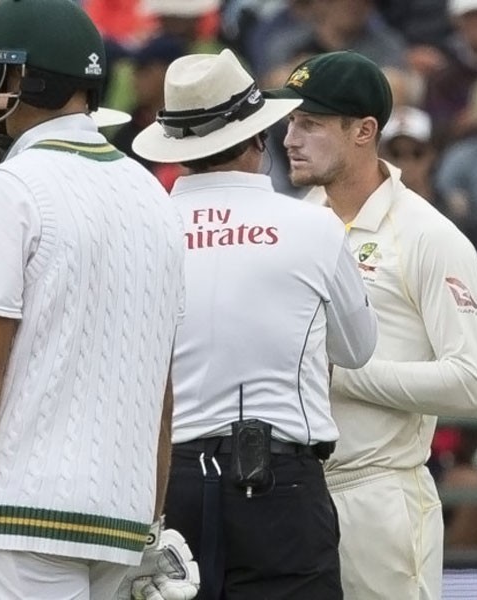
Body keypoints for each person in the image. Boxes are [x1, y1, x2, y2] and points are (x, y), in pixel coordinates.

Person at [0, 2, 197, 600]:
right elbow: (161, 386)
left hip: (19, 517)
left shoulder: (9, 186)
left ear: (20, 79)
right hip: (124, 518)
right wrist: (154, 520)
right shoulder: (154, 194)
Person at [132, 48, 378, 600]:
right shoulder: (314, 227)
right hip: (279, 485)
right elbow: (358, 350)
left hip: (164, 483)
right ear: (257, 138)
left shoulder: (142, 230)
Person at [267, 50, 477, 600]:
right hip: (293, 493)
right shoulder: (297, 220)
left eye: (311, 124)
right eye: (291, 121)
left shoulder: (428, 236)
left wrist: (343, 377)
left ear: (365, 131)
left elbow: (474, 385)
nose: (291, 138)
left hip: (382, 496)